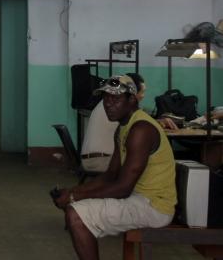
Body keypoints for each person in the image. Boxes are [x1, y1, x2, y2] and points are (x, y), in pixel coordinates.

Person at [54, 75, 176, 260]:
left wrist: (73, 197)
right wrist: (74, 191)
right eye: (105, 98)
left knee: (76, 216)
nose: (108, 104)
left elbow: (122, 187)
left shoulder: (141, 129)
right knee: (77, 207)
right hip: (138, 197)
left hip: (153, 206)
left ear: (132, 100)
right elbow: (111, 175)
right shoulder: (123, 128)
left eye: (116, 98)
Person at [80, 73, 178, 172]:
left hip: (95, 158)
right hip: (100, 160)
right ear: (132, 94)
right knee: (151, 166)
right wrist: (159, 122)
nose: (143, 96)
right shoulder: (116, 107)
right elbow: (140, 126)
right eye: (142, 92)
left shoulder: (109, 103)